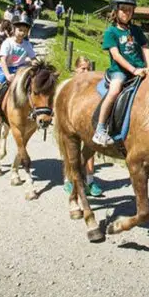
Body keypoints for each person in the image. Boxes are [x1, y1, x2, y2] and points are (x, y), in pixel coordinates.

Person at [92, 0, 149, 146]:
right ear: (115, 11)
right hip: (120, 71)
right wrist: (133, 70)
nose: (127, 13)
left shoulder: (136, 30)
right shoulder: (110, 32)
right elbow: (116, 55)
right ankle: (100, 129)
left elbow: (146, 47)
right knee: (114, 91)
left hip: (140, 69)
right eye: (123, 9)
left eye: (130, 10)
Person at [0, 14, 36, 128]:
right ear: (14, 29)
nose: (22, 33)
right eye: (20, 30)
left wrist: (37, 64)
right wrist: (7, 75)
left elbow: (33, 58)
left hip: (21, 69)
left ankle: (34, 110)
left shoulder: (27, 45)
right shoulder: (8, 43)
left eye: (24, 31)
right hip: (6, 68)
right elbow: (2, 60)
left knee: (34, 86)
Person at [64, 55, 106, 196]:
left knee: (90, 149)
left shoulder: (92, 86)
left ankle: (90, 180)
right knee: (72, 152)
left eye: (88, 68)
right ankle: (70, 179)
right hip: (71, 123)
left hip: (86, 122)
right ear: (76, 69)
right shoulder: (69, 85)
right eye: (83, 68)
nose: (86, 71)